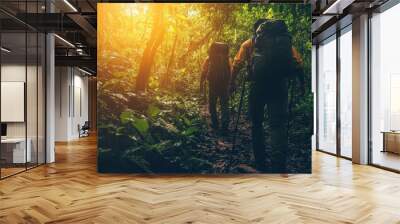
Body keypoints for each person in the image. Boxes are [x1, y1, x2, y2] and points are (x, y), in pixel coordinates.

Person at [231, 19, 304, 172]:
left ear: (257, 31)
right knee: (277, 126)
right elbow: (297, 63)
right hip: (279, 86)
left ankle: (260, 161)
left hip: (257, 86)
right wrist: (301, 85)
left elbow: (237, 63)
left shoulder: (249, 43)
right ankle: (278, 164)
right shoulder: (284, 43)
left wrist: (232, 83)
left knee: (256, 124)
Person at [200, 42, 232, 132]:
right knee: (224, 104)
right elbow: (230, 70)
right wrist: (230, 83)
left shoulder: (210, 58)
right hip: (224, 84)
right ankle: (225, 124)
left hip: (213, 84)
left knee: (212, 104)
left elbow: (204, 70)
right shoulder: (227, 59)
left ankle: (215, 123)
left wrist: (202, 83)